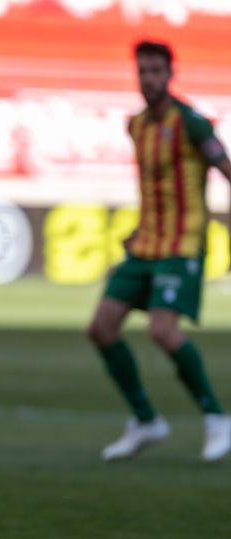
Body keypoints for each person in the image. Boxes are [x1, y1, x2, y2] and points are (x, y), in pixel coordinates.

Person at [87, 40, 231, 463]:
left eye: (156, 70)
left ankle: (217, 418)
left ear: (170, 74)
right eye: (143, 70)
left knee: (163, 332)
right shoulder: (136, 126)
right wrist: (136, 232)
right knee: (101, 327)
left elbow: (225, 169)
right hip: (145, 245)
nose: (148, 78)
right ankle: (147, 421)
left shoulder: (191, 124)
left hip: (181, 246)